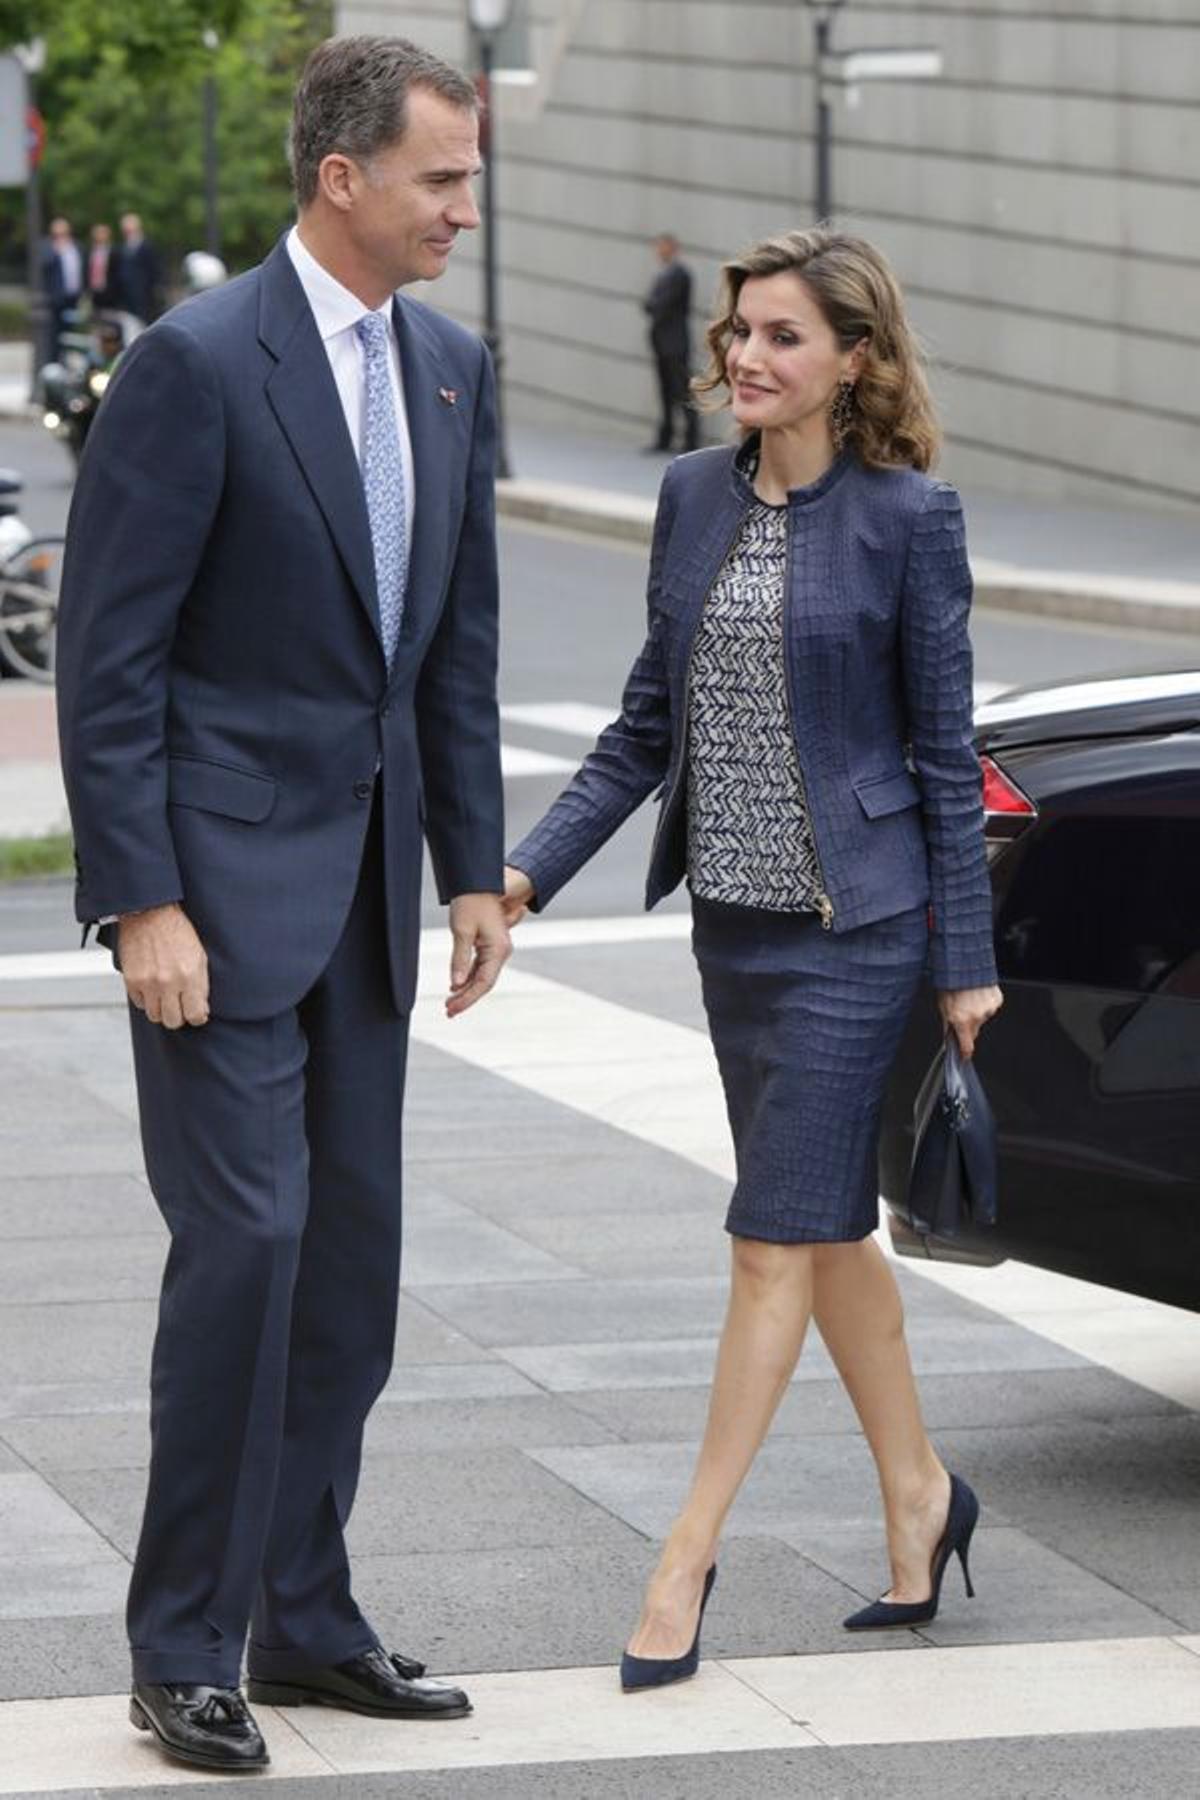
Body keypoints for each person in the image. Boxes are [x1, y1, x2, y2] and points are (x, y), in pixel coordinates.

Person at [57, 32, 510, 1772]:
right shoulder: (194, 364)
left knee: (351, 1271)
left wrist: (472, 868)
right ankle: (183, 1646)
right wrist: (139, 902)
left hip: (373, 910)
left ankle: (305, 1623)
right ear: (343, 179)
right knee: (243, 1249)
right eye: (442, 179)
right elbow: (111, 665)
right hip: (220, 904)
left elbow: (450, 656)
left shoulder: (455, 367)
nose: (465, 206)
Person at [505, 228, 1002, 1691]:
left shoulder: (911, 520)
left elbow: (945, 754)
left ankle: (684, 1556)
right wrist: (526, 875)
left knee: (770, 1239)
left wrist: (962, 960)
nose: (744, 356)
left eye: (782, 337)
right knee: (825, 1228)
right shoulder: (688, 497)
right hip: (737, 933)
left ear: (853, 361)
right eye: (738, 331)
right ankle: (922, 1497)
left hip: (859, 932)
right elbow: (643, 729)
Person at [643, 232, 698, 453]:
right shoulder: (663, 274)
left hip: (675, 344)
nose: (659, 251)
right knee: (665, 392)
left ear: (673, 248)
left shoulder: (680, 274)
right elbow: (649, 305)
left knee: (682, 392)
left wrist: (653, 304)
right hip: (661, 343)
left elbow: (658, 305)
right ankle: (665, 438)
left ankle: (690, 440)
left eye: (663, 247)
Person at [41, 216, 83, 360]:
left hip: (74, 298)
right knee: (55, 336)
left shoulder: (76, 246)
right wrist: (57, 251)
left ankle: (68, 362)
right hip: (57, 300)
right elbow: (45, 266)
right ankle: (54, 363)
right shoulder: (48, 246)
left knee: (72, 334)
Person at [113, 211, 163, 323]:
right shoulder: (121, 248)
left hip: (145, 299)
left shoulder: (148, 247)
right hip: (126, 300)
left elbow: (155, 272)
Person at [85, 222, 118, 312]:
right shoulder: (89, 251)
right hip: (94, 292)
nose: (100, 235)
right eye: (97, 233)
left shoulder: (115, 252)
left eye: (103, 232)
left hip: (111, 293)